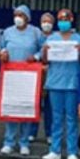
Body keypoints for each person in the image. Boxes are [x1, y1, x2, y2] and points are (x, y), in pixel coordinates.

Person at [41, 9, 80, 159]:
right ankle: (54, 151)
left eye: (65, 18)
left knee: (71, 119)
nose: (63, 21)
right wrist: (45, 52)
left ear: (72, 19)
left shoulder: (79, 39)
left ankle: (72, 153)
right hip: (55, 83)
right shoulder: (52, 38)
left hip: (72, 84)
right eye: (60, 18)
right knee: (56, 119)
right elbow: (45, 61)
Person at [0, 4, 42, 156]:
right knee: (11, 106)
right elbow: (1, 47)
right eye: (16, 15)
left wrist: (35, 57)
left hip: (29, 76)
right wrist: (3, 53)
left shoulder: (35, 32)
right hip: (11, 75)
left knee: (26, 108)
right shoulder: (8, 32)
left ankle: (24, 142)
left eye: (21, 15)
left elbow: (43, 49)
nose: (18, 18)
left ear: (27, 18)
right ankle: (8, 142)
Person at [29, 12, 56, 143]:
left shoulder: (56, 37)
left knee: (49, 106)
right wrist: (37, 60)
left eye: (49, 21)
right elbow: (31, 52)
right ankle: (32, 132)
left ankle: (49, 133)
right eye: (44, 21)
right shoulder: (36, 37)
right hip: (36, 73)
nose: (46, 24)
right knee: (35, 104)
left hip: (52, 73)